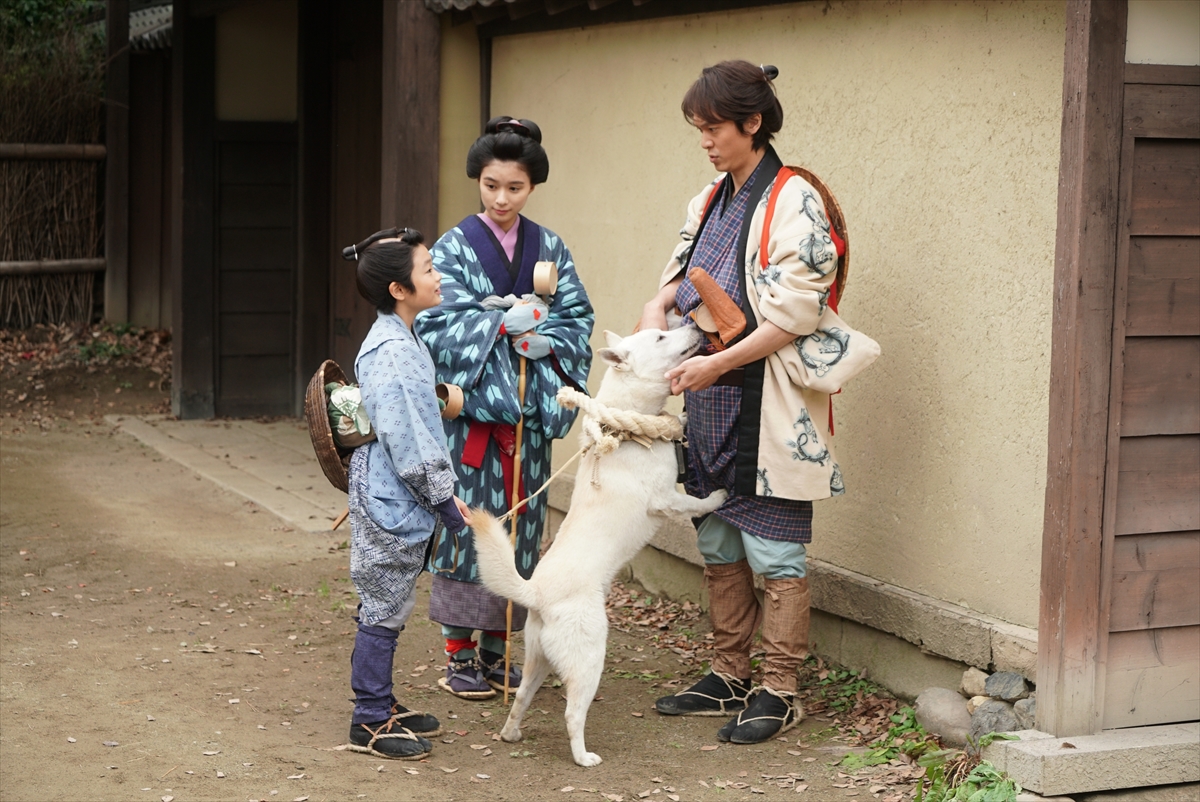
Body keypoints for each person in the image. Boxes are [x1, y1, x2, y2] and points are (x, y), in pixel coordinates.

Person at [640, 61, 845, 744]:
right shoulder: (710, 198)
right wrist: (656, 305)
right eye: (698, 128)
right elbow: (678, 275)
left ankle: (780, 688)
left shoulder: (796, 200)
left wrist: (716, 361)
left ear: (752, 124)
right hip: (708, 393)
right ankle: (729, 671)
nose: (704, 140)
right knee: (719, 535)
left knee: (776, 551)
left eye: (712, 127)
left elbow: (796, 311)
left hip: (766, 391)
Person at [417, 117, 595, 699]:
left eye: (514, 188)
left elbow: (578, 320)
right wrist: (496, 321)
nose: (500, 198)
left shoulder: (552, 248)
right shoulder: (454, 246)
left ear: (532, 187)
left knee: (520, 529)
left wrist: (549, 339)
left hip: (529, 421)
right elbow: (433, 321)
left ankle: (500, 652)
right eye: (490, 185)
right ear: (478, 180)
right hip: (473, 421)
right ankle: (459, 654)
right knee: (468, 531)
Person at [342, 227, 471, 759]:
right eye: (427, 270)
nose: (437, 277)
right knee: (383, 604)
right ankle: (368, 719)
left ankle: (382, 702)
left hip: (399, 494)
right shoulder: (391, 352)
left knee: (390, 602)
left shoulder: (403, 337)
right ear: (399, 289)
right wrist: (446, 501)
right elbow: (410, 441)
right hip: (394, 497)